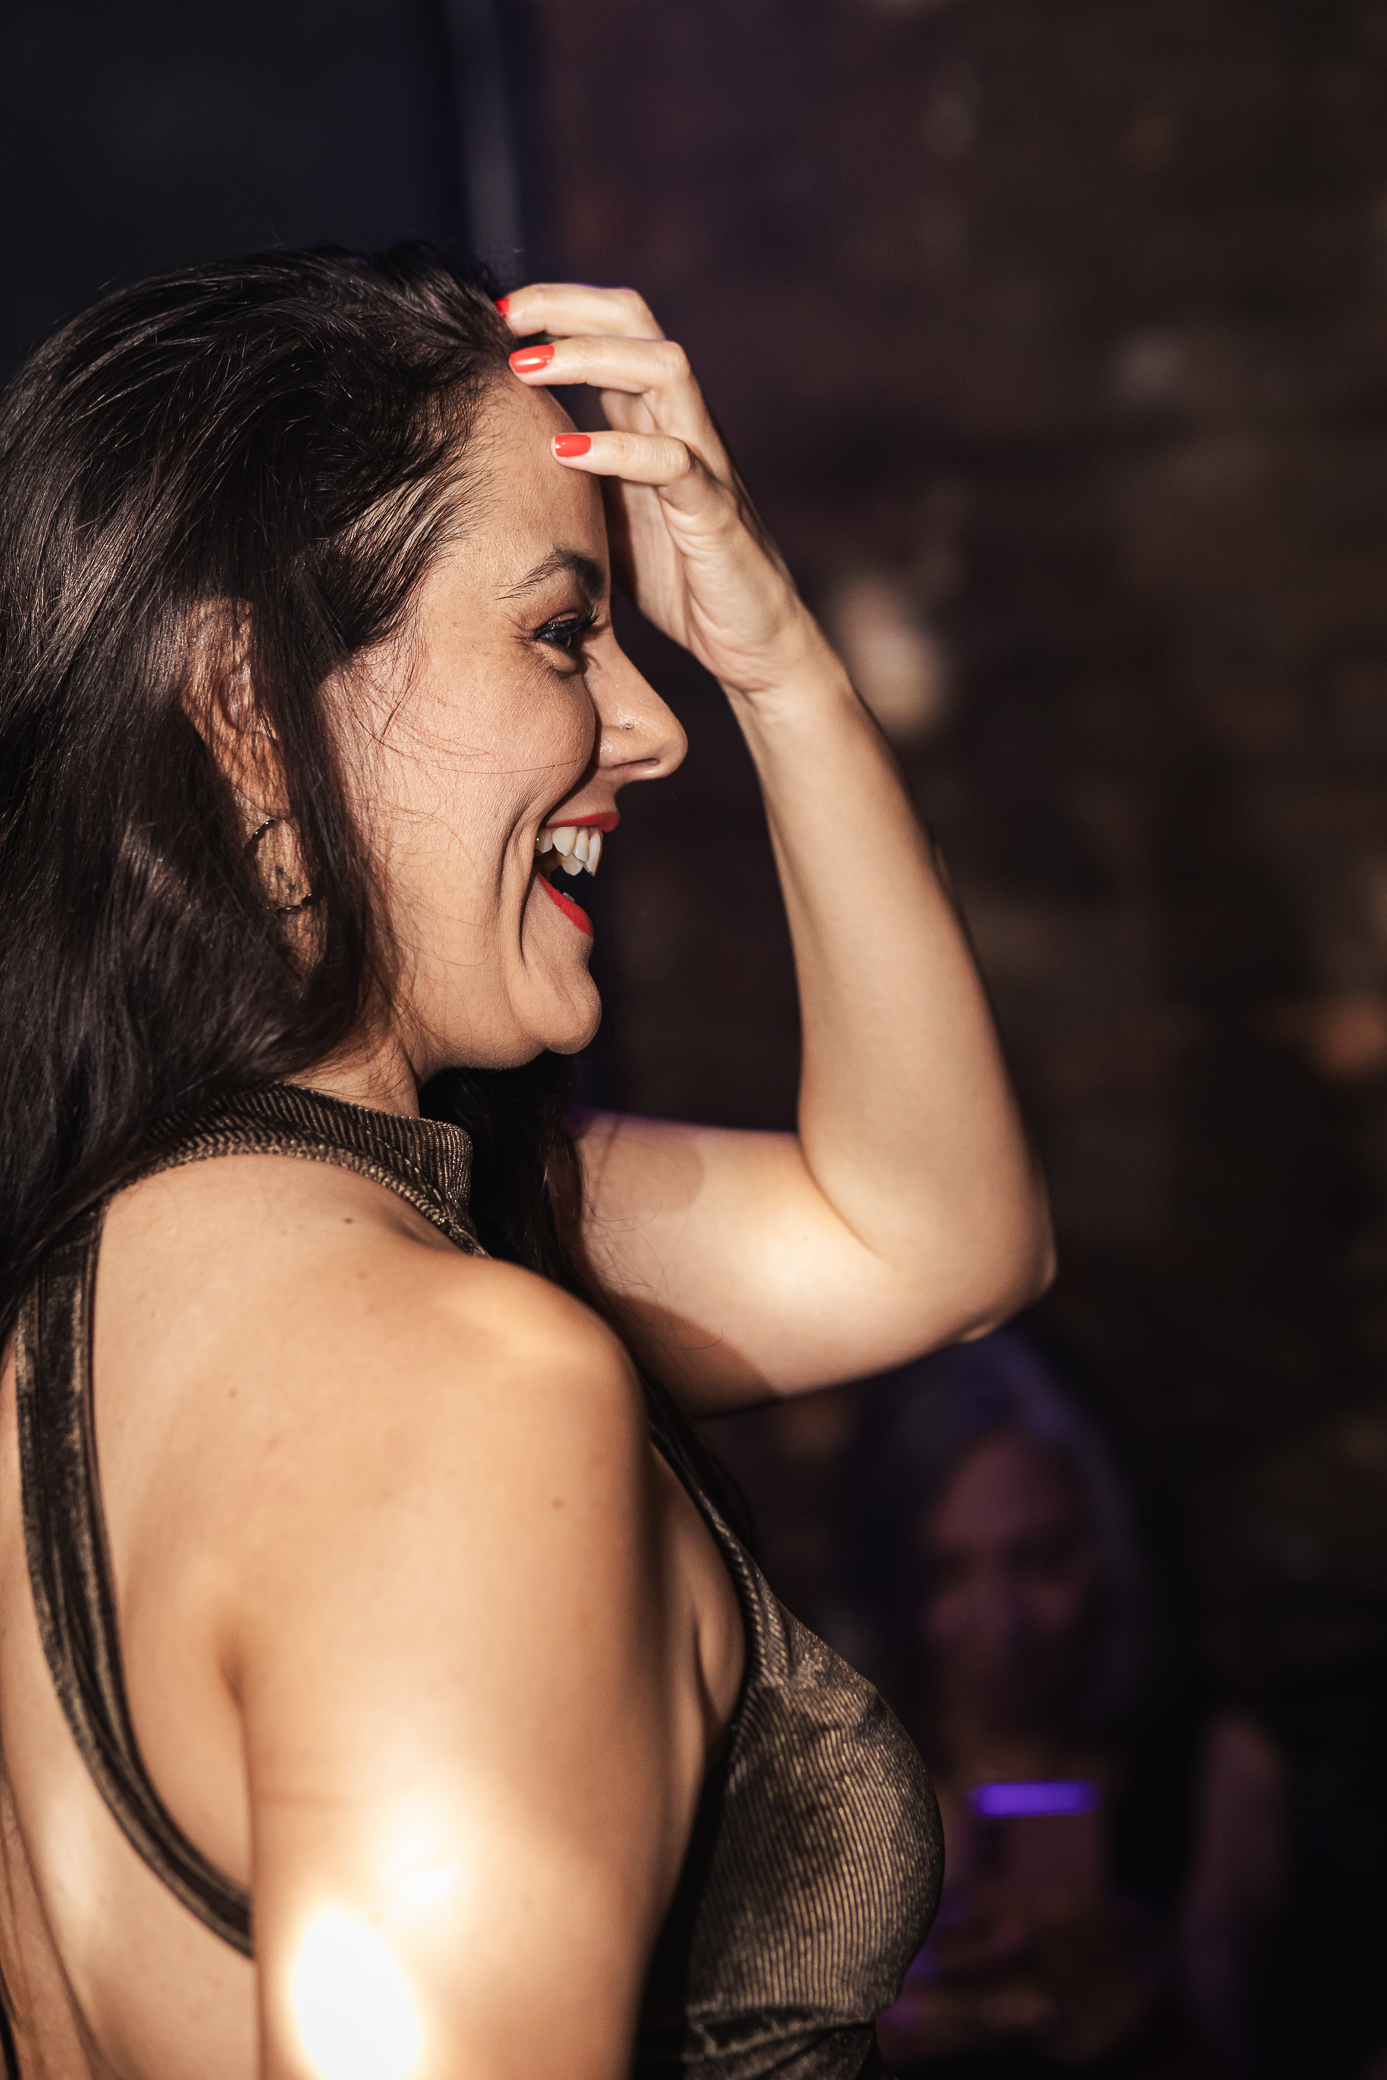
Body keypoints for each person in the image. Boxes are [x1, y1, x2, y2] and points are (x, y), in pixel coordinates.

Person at [0, 250, 1053, 2080]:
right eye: (563, 636)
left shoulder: (105, 1301)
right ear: (245, 706)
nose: (651, 726)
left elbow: (935, 1242)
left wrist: (773, 657)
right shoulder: (454, 1384)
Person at [841, 1334, 1286, 2078]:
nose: (1000, 1625)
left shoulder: (1217, 1775)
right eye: (945, 1574)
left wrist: (1149, 2035)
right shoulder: (826, 1783)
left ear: (1108, 1552)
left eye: (1039, 1562)